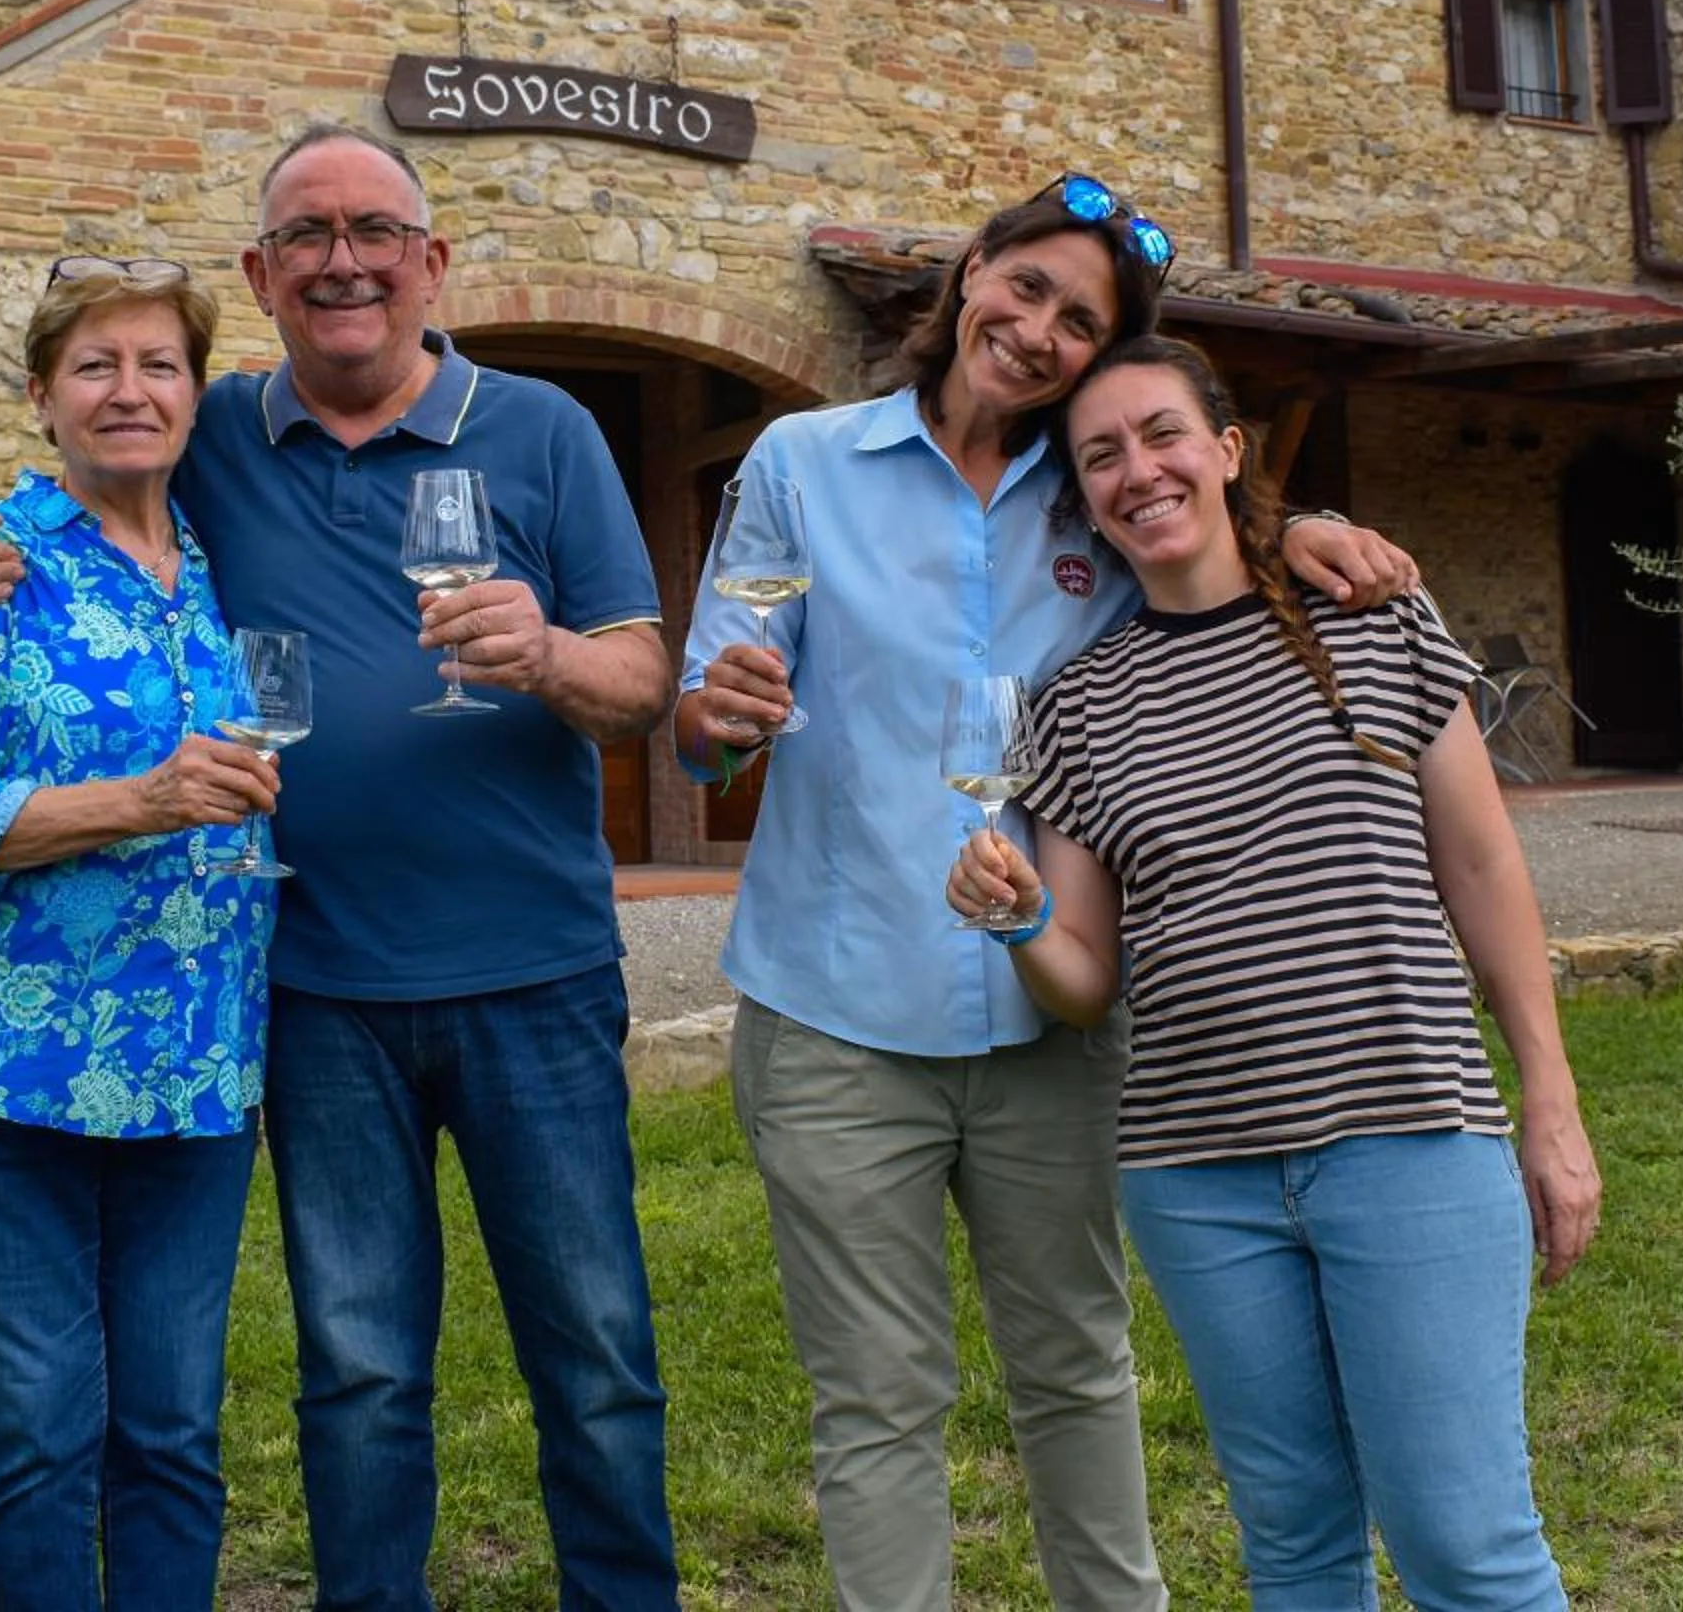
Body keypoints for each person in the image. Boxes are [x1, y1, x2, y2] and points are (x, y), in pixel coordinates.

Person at [0, 126, 680, 1611]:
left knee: (598, 1353)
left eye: (376, 228)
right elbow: (52, 495)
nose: (343, 258)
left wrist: (550, 652)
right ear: (261, 277)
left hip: (539, 977)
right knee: (360, 1369)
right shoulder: (217, 438)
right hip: (314, 994)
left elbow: (642, 680)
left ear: (432, 263)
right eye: (305, 235)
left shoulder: (547, 430)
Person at [670, 176, 1419, 1611]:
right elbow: (708, 732)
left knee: (1076, 1366)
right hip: (837, 1019)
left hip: (1051, 1015)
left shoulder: (1101, 491)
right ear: (971, 273)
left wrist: (1296, 532)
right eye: (1026, 287)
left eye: (1081, 323)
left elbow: (1205, 537)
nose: (1036, 330)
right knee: (878, 1399)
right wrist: (723, 719)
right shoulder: (799, 462)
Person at [945, 332, 1603, 1611]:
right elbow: (1087, 977)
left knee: (1465, 1543)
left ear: (1229, 450)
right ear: (1081, 500)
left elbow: (1482, 871)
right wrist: (1020, 922)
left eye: (1162, 434)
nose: (1138, 470)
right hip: (1198, 1180)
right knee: (1295, 1547)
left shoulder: (1379, 617)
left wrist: (1552, 1102)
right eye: (1101, 456)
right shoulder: (1075, 707)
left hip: (1409, 1134)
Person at [0, 255, 282, 1612]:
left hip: (196, 1075)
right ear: (43, 397)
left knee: (172, 1439)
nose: (130, 390)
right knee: (44, 1440)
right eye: (96, 366)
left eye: (159, 365)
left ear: (195, 395)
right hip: (8, 1075)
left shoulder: (215, 572)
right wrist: (142, 801)